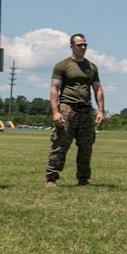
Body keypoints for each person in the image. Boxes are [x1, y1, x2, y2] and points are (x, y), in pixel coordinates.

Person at [45, 34, 104, 187]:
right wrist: (55, 111)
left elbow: (97, 88)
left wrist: (101, 111)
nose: (83, 48)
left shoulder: (91, 67)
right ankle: (51, 177)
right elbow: (54, 89)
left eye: (85, 45)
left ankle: (83, 179)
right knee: (60, 144)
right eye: (79, 45)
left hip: (85, 109)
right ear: (71, 46)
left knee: (86, 145)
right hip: (67, 108)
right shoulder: (62, 65)